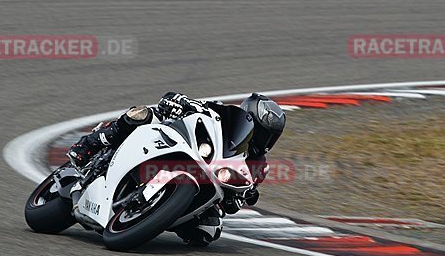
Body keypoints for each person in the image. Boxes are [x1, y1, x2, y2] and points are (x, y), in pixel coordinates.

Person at [66, 92, 286, 246]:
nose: (263, 138)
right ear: (248, 116)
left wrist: (242, 196)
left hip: (206, 185)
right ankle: (89, 145)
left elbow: (238, 202)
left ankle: (153, 217)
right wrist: (178, 102)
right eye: (261, 130)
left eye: (269, 135)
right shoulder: (221, 112)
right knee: (142, 114)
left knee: (208, 232)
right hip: (175, 141)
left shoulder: (259, 165)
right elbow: (175, 99)